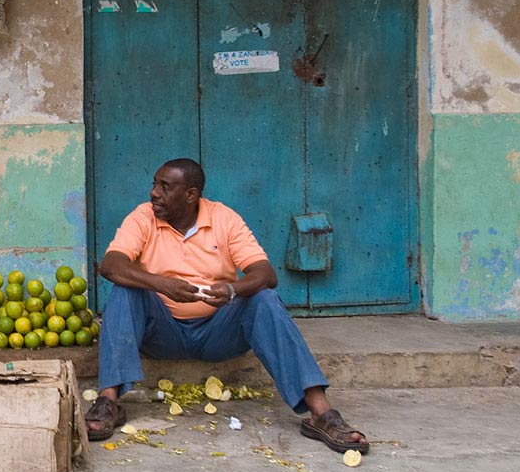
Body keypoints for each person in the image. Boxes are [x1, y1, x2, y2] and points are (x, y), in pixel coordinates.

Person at [88, 158, 368, 455]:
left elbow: (265, 274)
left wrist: (233, 290)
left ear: (191, 194)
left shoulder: (224, 219)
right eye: (154, 184)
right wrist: (162, 284)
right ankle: (109, 401)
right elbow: (111, 265)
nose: (154, 193)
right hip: (161, 331)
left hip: (217, 333)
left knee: (264, 299)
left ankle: (320, 413)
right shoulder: (143, 217)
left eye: (165, 187)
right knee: (124, 290)